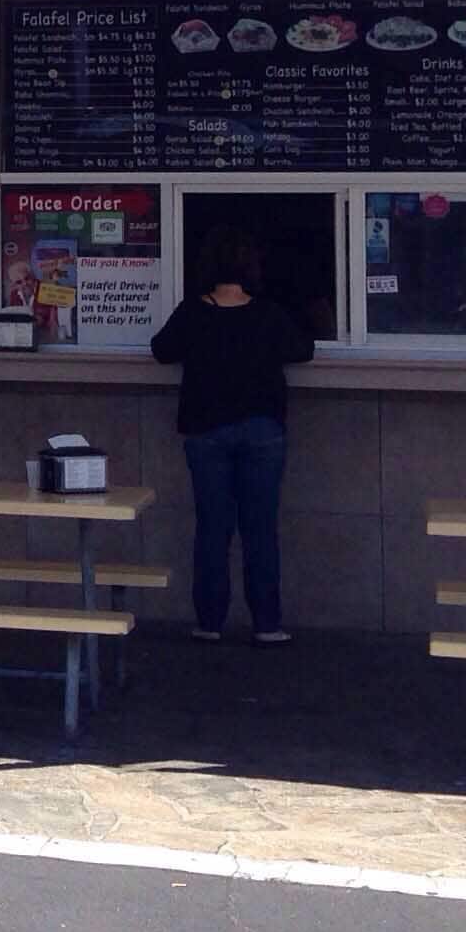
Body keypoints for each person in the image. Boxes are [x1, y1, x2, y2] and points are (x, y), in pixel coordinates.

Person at [149, 227, 313, 645]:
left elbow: (161, 350)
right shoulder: (268, 313)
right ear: (251, 268)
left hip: (206, 431)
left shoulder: (193, 312)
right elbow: (303, 349)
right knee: (260, 529)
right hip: (262, 430)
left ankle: (209, 622)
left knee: (212, 529)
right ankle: (267, 623)